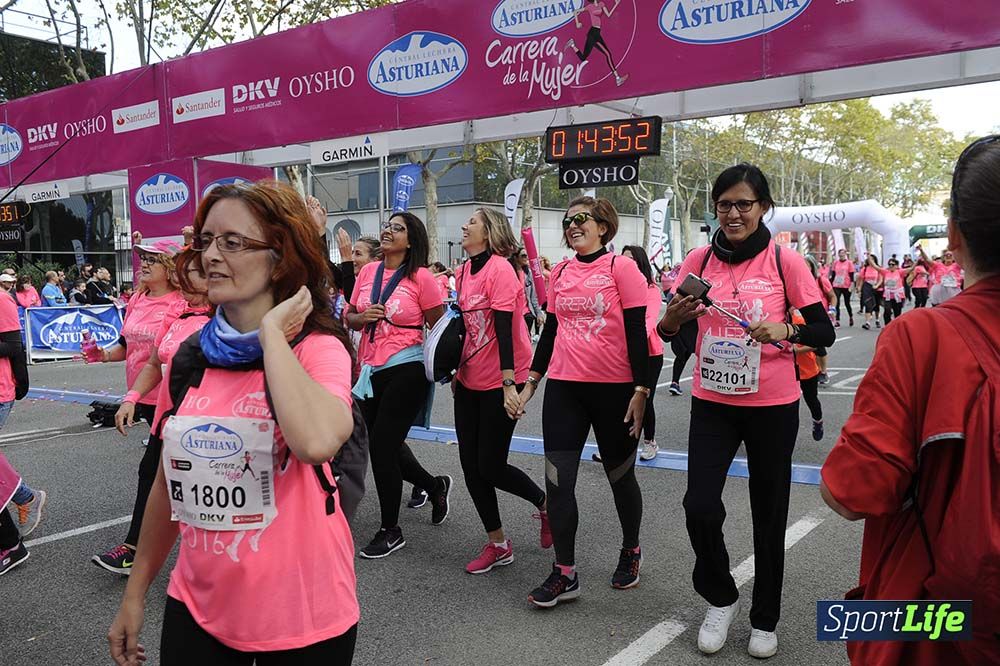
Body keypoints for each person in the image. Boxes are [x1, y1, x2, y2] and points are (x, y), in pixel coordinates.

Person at [108, 180, 359, 666]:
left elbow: (316, 441)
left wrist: (271, 337)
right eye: (205, 241)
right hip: (196, 609)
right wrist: (135, 593)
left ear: (280, 257)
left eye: (234, 242)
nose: (211, 256)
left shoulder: (317, 349)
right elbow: (167, 483)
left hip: (303, 618)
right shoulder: (190, 356)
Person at [821, 135, 1000, 665]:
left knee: (842, 619)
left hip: (947, 620)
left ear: (954, 234)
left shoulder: (922, 338)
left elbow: (849, 495)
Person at [657, 164, 834, 658]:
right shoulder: (699, 258)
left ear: (763, 208)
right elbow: (671, 331)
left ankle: (765, 617)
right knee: (699, 507)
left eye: (744, 204)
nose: (733, 214)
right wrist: (671, 319)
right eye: (725, 205)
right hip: (712, 404)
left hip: (772, 407)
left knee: (768, 513)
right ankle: (721, 595)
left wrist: (787, 331)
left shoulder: (785, 262)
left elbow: (824, 332)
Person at [516, 195, 650, 608]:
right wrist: (530, 384)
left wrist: (641, 392)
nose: (572, 225)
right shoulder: (560, 271)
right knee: (559, 483)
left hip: (614, 391)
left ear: (604, 227)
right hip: (565, 389)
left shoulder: (621, 268)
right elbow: (550, 332)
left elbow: (636, 335)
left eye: (581, 219)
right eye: (567, 220)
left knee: (619, 477)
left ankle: (631, 549)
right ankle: (565, 572)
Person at [345, 211, 451, 559]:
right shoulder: (369, 272)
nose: (389, 231)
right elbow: (349, 315)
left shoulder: (422, 278)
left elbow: (438, 328)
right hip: (368, 371)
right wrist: (361, 318)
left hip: (406, 367)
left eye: (398, 228)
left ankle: (390, 529)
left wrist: (450, 370)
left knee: (380, 447)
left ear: (411, 239)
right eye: (388, 226)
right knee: (385, 446)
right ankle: (434, 486)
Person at [452, 207, 551, 575]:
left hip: (504, 378)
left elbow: (505, 331)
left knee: (490, 465)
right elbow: (466, 328)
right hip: (469, 378)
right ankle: (499, 545)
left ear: (489, 232)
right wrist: (455, 369)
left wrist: (511, 385)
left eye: (472, 222)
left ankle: (544, 504)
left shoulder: (501, 270)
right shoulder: (462, 272)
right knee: (470, 467)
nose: (464, 226)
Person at [89, 240, 186, 575]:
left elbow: (164, 356)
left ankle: (133, 549)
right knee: (166, 473)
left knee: (154, 472)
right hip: (140, 396)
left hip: (171, 399)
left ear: (171, 268)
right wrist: (100, 354)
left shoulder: (181, 302)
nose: (144, 264)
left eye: (153, 259)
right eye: (142, 258)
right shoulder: (137, 299)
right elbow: (126, 347)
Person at [0, 289, 38, 576]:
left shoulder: (1, 299)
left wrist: (21, 382)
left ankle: (11, 545)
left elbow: (14, 346)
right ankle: (25, 496)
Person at [622, 245, 663, 462]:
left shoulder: (652, 290)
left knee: (644, 397)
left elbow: (648, 322)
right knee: (621, 399)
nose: (627, 264)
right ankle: (620, 446)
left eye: (632, 260)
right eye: (623, 259)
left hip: (649, 354)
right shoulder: (618, 287)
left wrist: (630, 343)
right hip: (622, 353)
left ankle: (650, 442)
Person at [564, 0, 628, 86]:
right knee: (608, 54)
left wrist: (615, 4)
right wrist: (577, 23)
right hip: (593, 33)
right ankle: (617, 78)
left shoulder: (601, 4)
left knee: (583, 57)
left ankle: (572, 44)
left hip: (596, 33)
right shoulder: (590, 7)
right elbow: (576, 11)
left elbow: (608, 15)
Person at [791, 308, 824, 441]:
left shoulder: (800, 321)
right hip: (786, 370)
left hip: (807, 368)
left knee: (811, 399)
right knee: (790, 405)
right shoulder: (772, 321)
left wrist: (795, 350)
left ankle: (818, 422)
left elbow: (816, 345)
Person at [805, 256, 834, 385]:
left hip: (819, 317)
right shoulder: (798, 281)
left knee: (819, 346)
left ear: (812, 267)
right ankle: (815, 371)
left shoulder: (821, 280)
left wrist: (832, 309)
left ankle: (823, 372)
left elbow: (832, 296)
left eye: (806, 265)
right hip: (802, 316)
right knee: (808, 346)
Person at [516, 248, 545, 339]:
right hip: (513, 313)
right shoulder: (510, 272)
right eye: (524, 256)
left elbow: (533, 296)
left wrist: (539, 314)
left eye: (527, 255)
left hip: (527, 313)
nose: (526, 258)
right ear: (516, 257)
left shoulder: (529, 274)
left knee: (525, 339)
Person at [856, 255, 883, 330]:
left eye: (872, 259)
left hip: (876, 288)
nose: (870, 260)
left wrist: (877, 285)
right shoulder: (865, 269)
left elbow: (881, 279)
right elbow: (861, 279)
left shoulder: (878, 268)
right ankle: (867, 322)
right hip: (867, 287)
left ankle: (877, 319)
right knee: (868, 304)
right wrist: (859, 289)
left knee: (876, 305)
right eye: (869, 259)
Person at [829, 249, 855, 327]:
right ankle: (837, 320)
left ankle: (850, 316)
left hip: (846, 285)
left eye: (843, 254)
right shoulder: (836, 263)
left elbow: (851, 275)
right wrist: (830, 284)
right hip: (837, 285)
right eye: (840, 254)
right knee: (837, 303)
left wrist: (852, 285)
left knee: (847, 303)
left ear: (845, 254)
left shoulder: (849, 263)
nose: (841, 255)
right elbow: (833, 274)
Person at [880, 257, 906, 325]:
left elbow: (911, 269)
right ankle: (887, 326)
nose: (891, 266)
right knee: (887, 311)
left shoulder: (900, 272)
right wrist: (869, 257)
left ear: (896, 266)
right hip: (888, 295)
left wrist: (916, 262)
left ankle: (897, 326)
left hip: (898, 296)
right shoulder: (885, 272)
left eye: (892, 264)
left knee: (897, 313)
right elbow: (875, 266)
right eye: (889, 264)